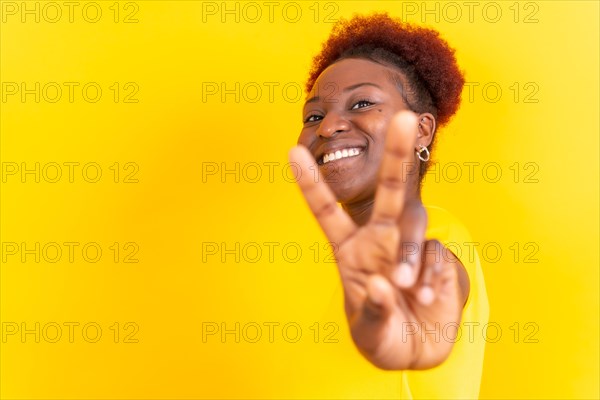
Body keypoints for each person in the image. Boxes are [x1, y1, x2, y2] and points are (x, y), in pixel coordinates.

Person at [289, 13, 490, 399]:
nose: (327, 127)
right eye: (314, 115)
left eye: (362, 103)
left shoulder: (438, 241)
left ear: (421, 130)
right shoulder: (346, 265)